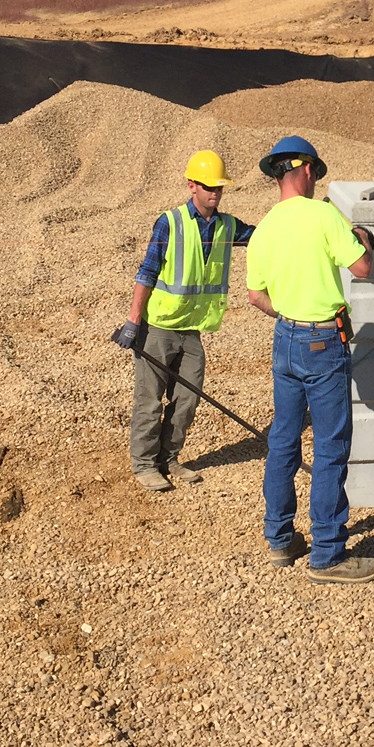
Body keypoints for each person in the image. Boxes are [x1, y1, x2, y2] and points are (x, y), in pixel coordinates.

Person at [245, 135, 374, 583]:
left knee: (283, 440)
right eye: (316, 173)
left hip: (285, 338)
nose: (316, 179)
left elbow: (255, 295)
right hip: (323, 343)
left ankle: (281, 540)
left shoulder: (264, 227)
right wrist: (363, 240)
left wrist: (288, 313)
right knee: (330, 446)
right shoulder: (324, 215)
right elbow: (362, 268)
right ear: (305, 170)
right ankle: (327, 553)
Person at [112, 151, 254, 493]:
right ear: (192, 186)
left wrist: (301, 217)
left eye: (219, 188)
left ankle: (168, 458)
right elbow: (147, 271)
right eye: (208, 187)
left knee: (187, 399)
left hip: (192, 329)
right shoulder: (170, 222)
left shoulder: (227, 226)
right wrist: (133, 322)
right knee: (149, 399)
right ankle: (145, 464)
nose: (215, 194)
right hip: (158, 327)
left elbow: (262, 237)